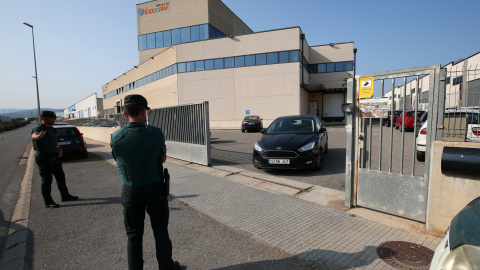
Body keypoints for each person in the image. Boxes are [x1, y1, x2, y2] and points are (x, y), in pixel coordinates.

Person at [110, 95, 180, 270]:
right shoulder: (156, 133)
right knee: (161, 232)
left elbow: (118, 158)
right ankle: (166, 267)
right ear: (143, 111)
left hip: (131, 190)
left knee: (133, 236)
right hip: (155, 189)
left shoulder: (116, 137)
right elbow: (162, 156)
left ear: (125, 114)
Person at [31, 111, 78, 208]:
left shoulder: (51, 129)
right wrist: (38, 136)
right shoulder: (39, 128)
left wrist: (59, 148)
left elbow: (54, 141)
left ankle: (65, 196)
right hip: (44, 158)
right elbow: (34, 135)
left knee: (60, 177)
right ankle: (48, 202)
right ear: (44, 118)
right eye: (52, 118)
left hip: (53, 157)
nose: (54, 119)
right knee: (47, 181)